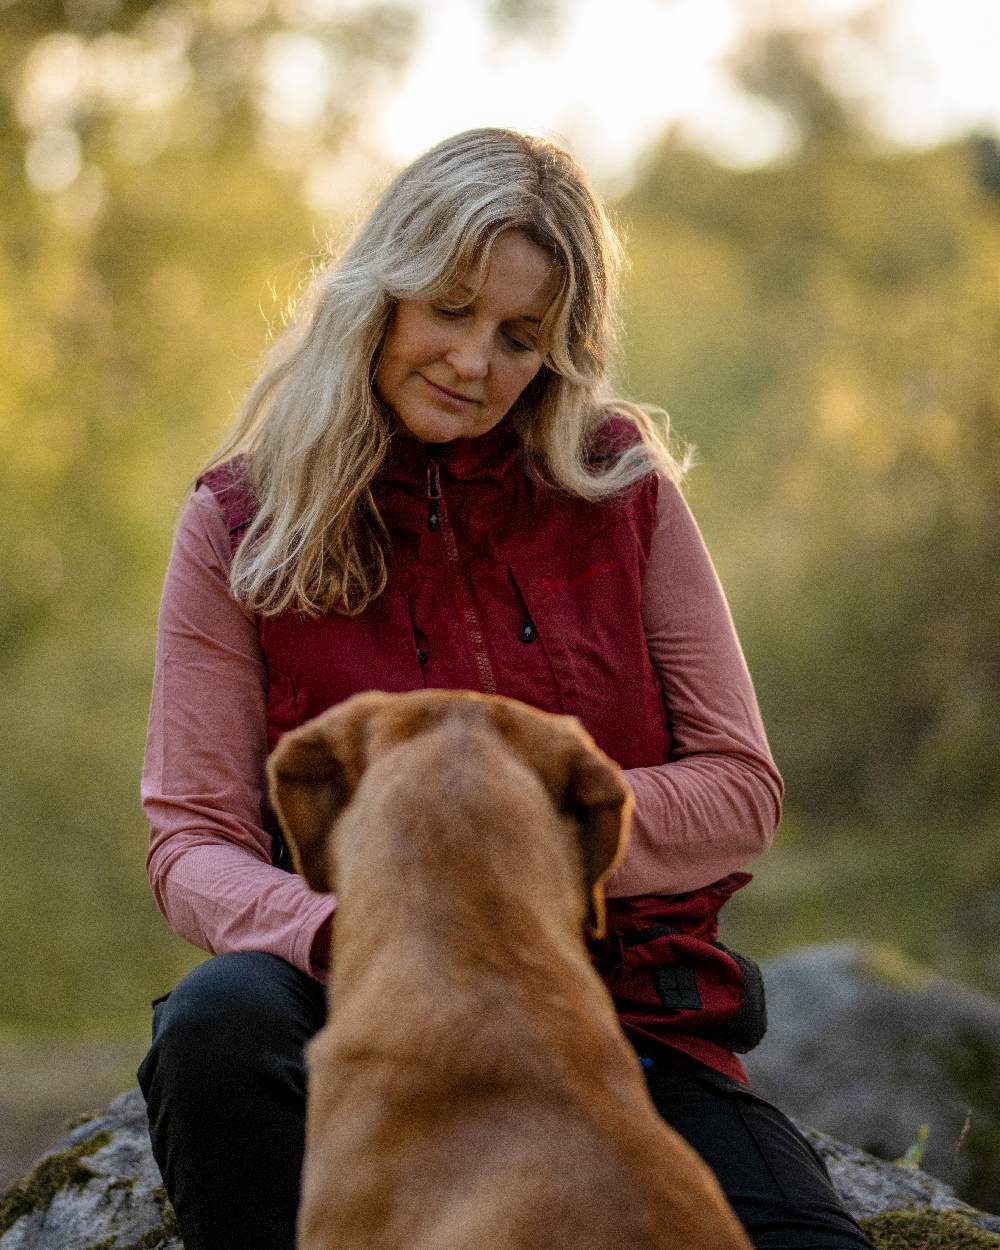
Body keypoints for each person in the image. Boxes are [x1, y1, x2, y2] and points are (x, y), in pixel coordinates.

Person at [137, 127, 873, 1250]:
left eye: (519, 336)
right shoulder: (240, 524)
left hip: (623, 1018)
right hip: (358, 1012)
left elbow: (738, 787)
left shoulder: (623, 488)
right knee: (218, 1021)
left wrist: (508, 843)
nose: (474, 362)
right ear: (378, 292)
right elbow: (190, 838)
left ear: (560, 351)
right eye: (447, 308)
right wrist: (358, 924)